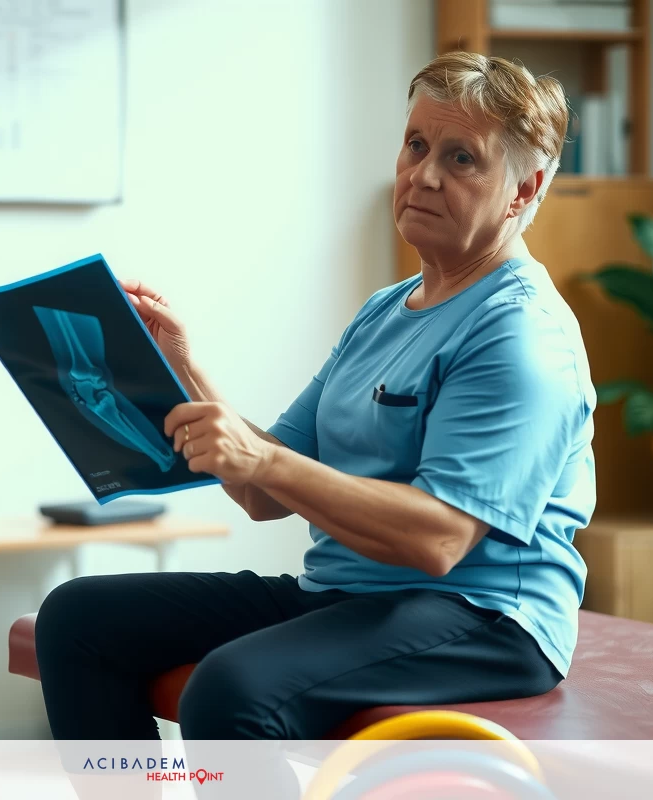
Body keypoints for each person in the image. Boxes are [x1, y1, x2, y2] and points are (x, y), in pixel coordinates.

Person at [35, 50, 596, 796]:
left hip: (487, 617)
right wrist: (182, 369)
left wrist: (261, 464)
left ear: (523, 189)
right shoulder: (385, 312)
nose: (424, 175)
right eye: (417, 144)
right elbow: (264, 490)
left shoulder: (521, 335)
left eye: (462, 159)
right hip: (354, 593)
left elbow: (439, 539)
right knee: (77, 619)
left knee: (233, 691)